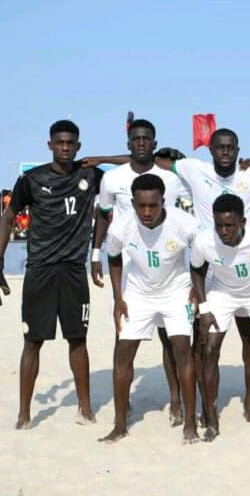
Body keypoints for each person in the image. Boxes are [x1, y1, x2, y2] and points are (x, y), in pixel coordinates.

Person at [0, 120, 101, 429]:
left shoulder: (90, 175)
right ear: (49, 145)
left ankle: (85, 408)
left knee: (78, 340)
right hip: (40, 272)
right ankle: (24, 414)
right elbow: (9, 217)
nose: (65, 147)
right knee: (33, 342)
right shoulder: (32, 180)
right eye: (60, 142)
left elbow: (138, 165)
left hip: (74, 272)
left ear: (78, 146)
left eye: (71, 143)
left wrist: (101, 160)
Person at [90, 119, 188, 426]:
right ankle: (125, 406)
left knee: (171, 340)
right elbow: (104, 217)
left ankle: (176, 401)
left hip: (167, 266)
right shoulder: (112, 179)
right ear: (129, 143)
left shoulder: (170, 178)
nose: (141, 143)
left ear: (155, 143)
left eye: (147, 138)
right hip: (129, 269)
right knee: (124, 338)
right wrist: (96, 252)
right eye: (136, 138)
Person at [99, 174, 199, 444]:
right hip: (138, 293)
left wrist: (197, 287)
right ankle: (119, 425)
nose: (146, 212)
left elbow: (203, 253)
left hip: (175, 291)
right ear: (132, 203)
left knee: (182, 351)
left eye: (152, 206)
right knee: (123, 355)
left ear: (162, 202)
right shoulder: (120, 227)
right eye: (141, 206)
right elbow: (114, 257)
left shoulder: (185, 224)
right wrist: (118, 297)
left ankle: (190, 424)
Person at [189, 194, 250, 442]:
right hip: (223, 293)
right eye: (218, 225)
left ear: (243, 221)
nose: (223, 231)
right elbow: (197, 269)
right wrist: (204, 307)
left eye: (229, 225)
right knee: (208, 349)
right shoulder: (204, 241)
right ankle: (211, 418)